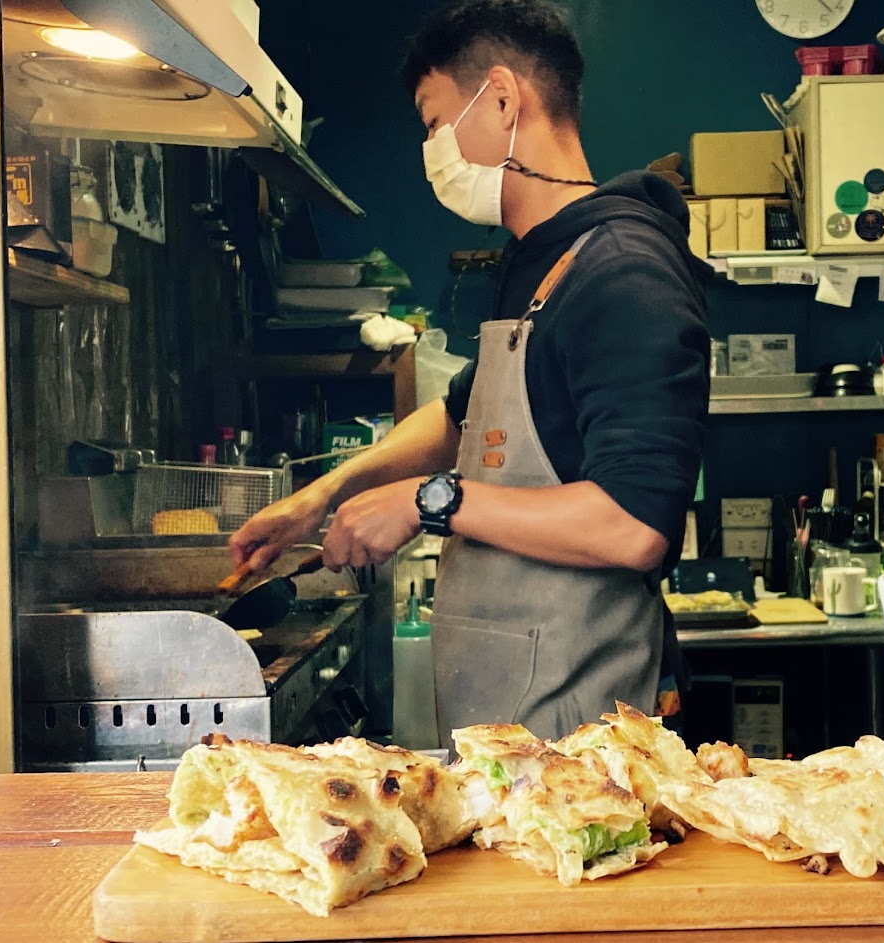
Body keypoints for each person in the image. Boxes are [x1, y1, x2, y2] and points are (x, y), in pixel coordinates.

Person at [230, 0, 710, 745]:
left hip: (584, 740)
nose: (431, 150)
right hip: (516, 727)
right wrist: (322, 497)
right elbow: (460, 413)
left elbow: (633, 524)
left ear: (503, 99)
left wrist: (429, 501)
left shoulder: (623, 274)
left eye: (434, 123)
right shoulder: (542, 261)